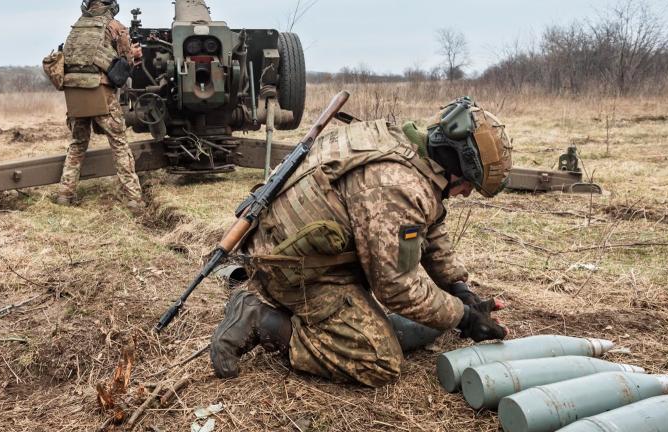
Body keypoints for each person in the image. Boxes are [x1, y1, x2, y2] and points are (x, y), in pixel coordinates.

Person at [211, 97, 513, 387]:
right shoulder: (397, 185)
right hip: (293, 271)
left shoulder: (402, 144)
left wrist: (457, 287)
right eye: (468, 186)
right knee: (380, 360)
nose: (465, 194)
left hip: (287, 247)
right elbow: (395, 288)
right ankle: (262, 318)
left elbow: (430, 222)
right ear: (457, 167)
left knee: (418, 322)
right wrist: (464, 317)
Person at [56, 0, 144, 211]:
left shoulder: (77, 26)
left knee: (77, 143)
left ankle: (64, 196)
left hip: (74, 92)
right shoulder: (115, 27)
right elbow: (125, 64)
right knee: (119, 144)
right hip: (100, 91)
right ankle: (134, 200)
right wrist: (135, 55)